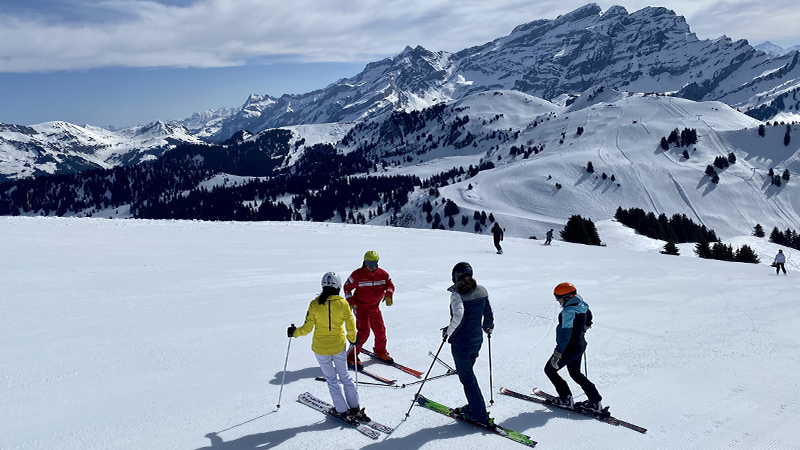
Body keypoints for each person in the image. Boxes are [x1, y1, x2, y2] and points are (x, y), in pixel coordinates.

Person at [288, 272, 369, 423]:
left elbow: (307, 328)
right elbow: (350, 326)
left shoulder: (314, 304)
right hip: (338, 347)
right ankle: (354, 408)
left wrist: (295, 333)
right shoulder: (343, 304)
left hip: (320, 348)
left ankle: (342, 411)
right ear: (338, 286)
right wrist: (353, 339)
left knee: (332, 380)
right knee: (344, 376)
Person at [442, 262, 495, 428]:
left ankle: (479, 415)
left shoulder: (457, 295)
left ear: (455, 277)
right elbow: (488, 312)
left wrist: (447, 332)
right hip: (476, 341)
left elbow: (458, 316)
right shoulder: (482, 291)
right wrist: (488, 326)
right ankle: (473, 406)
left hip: (461, 344)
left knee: (467, 378)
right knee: (468, 374)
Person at [544, 282, 603, 413]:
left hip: (570, 348)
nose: (558, 301)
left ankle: (566, 399)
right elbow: (589, 318)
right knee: (575, 373)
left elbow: (565, 334)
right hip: (580, 345)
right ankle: (595, 401)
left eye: (558, 297)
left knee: (550, 370)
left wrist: (558, 352)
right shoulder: (582, 305)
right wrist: (583, 329)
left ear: (567, 297)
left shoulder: (569, 312)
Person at [344, 251, 395, 367]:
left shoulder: (383, 274)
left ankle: (380, 351)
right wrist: (350, 301)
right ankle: (351, 356)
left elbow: (390, 285)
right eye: (368, 262)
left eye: (373, 262)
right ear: (364, 262)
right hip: (361, 307)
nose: (371, 265)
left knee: (380, 331)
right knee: (364, 333)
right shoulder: (357, 275)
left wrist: (389, 294)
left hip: (375, 308)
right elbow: (347, 288)